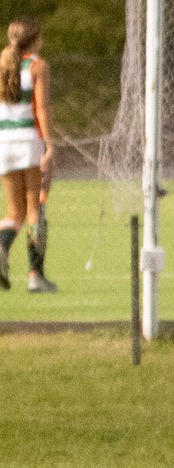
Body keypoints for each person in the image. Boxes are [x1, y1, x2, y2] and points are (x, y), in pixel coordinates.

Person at [0, 18, 57, 293]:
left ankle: (0, 248)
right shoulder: (38, 66)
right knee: (35, 209)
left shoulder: (2, 63)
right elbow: (42, 109)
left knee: (15, 211)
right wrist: (49, 144)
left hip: (4, 143)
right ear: (35, 40)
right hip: (28, 142)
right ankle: (36, 276)